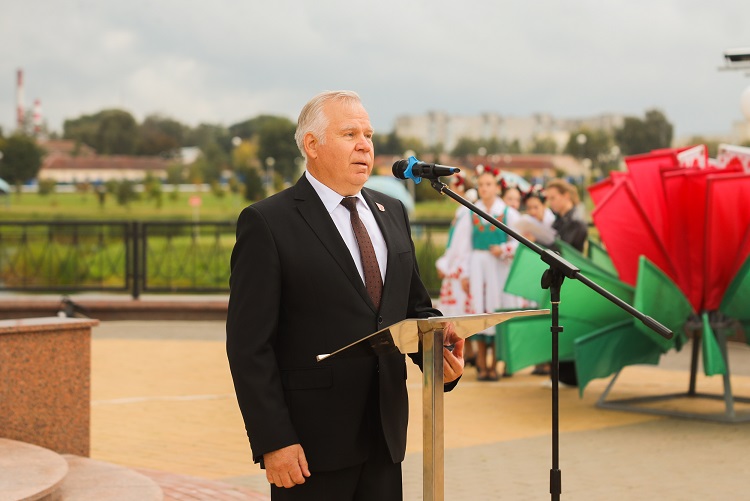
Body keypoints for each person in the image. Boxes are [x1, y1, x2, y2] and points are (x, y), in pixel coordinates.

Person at [226, 90, 464, 501]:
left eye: (368, 135)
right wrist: (273, 439)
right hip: (310, 447)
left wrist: (438, 358)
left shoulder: (392, 211)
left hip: (385, 436)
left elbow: (413, 308)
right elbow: (249, 346)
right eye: (349, 134)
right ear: (312, 145)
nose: (364, 145)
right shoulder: (267, 222)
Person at [453, 166, 521, 381]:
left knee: (496, 311)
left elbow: (520, 242)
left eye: (489, 184)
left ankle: (495, 364)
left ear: (497, 187)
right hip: (477, 267)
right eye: (481, 184)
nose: (484, 188)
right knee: (479, 311)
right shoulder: (470, 212)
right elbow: (463, 246)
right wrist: (464, 273)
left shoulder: (508, 213)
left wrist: (504, 249)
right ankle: (481, 364)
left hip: (499, 269)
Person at [544, 178, 589, 386]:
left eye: (554, 197)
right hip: (560, 279)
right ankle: (559, 373)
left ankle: (569, 376)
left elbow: (567, 251)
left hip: (571, 280)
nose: (550, 202)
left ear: (566, 196)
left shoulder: (576, 222)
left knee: (568, 326)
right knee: (557, 325)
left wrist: (546, 242)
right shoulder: (559, 221)